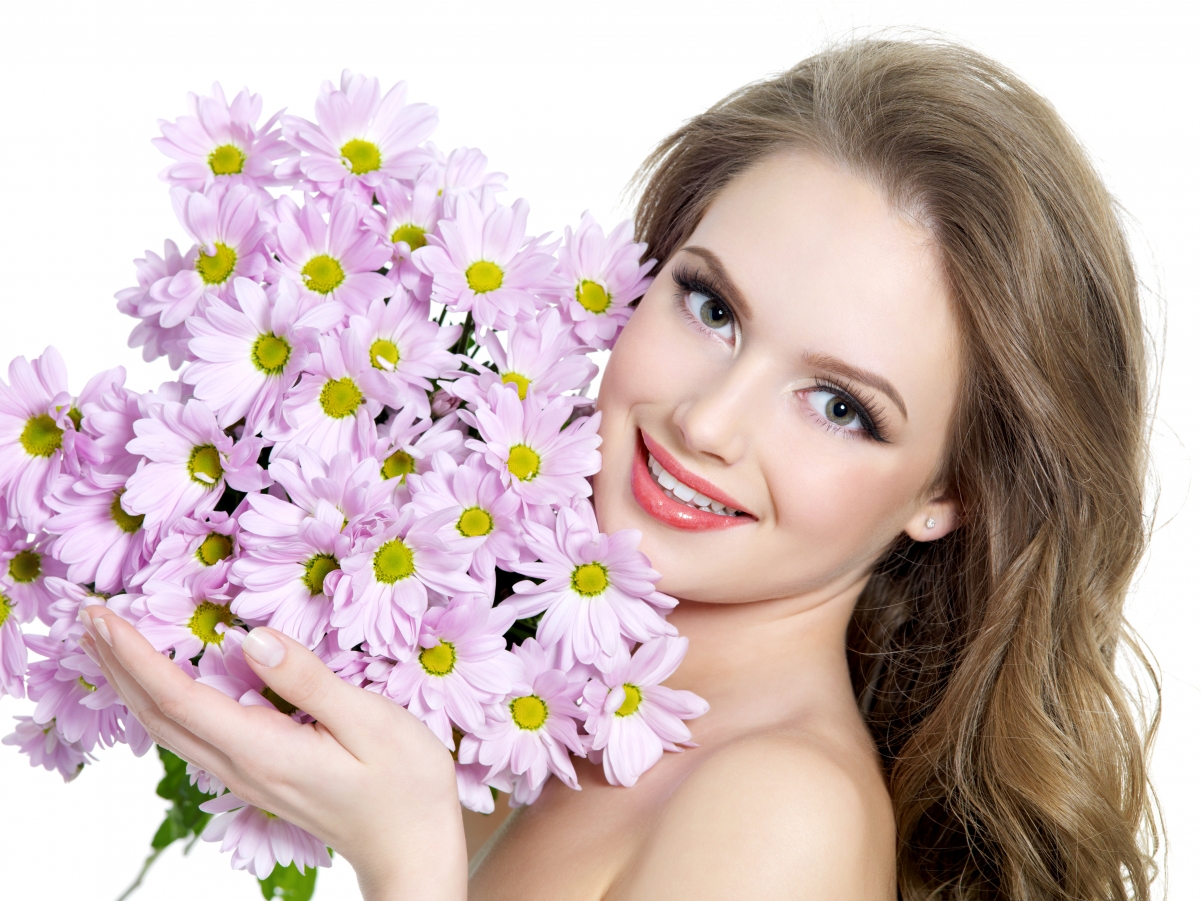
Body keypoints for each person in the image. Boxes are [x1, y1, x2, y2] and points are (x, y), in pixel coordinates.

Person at [78, 38, 1160, 901]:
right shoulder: (523, 694)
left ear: (947, 494)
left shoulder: (781, 813)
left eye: (840, 406)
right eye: (711, 305)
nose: (706, 421)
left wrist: (405, 861)